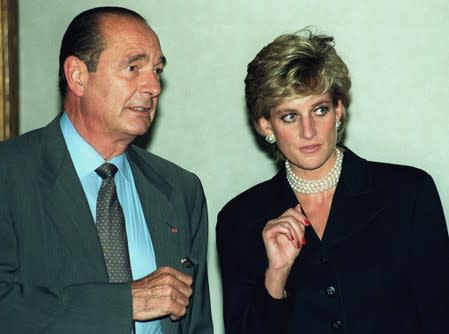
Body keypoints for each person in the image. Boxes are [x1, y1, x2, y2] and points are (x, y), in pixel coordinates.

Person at [216, 29, 449, 333]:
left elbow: (441, 317)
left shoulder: (408, 193)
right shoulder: (240, 219)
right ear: (265, 124)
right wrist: (277, 273)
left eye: (319, 110)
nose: (308, 131)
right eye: (290, 116)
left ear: (338, 110)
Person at [0, 6, 213, 334]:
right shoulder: (10, 174)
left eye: (157, 70)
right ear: (77, 76)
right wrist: (124, 303)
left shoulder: (180, 190)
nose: (153, 86)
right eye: (133, 67)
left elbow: (195, 325)